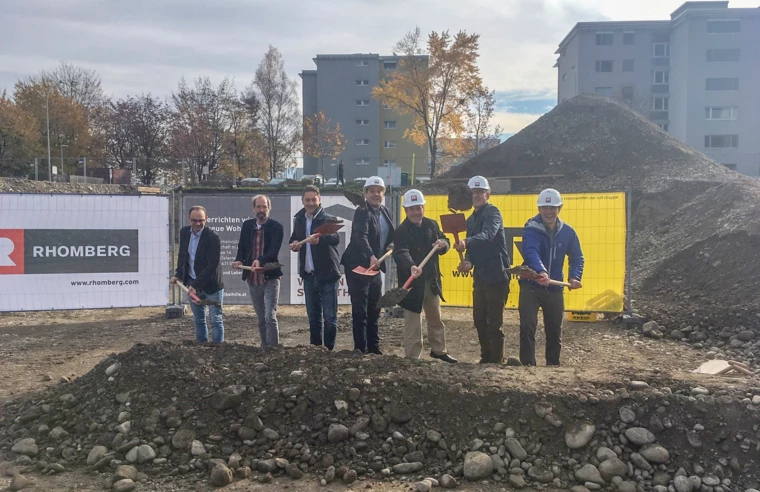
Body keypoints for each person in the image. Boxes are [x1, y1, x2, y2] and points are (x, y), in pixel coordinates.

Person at [519, 188, 584, 366]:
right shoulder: (531, 228)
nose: (549, 212)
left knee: (555, 329)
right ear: (539, 209)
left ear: (560, 208)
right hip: (530, 285)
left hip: (555, 288)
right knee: (527, 326)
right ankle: (527, 366)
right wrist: (541, 272)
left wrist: (574, 277)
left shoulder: (568, 232)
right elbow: (531, 251)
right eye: (545, 208)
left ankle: (553, 366)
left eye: (553, 207)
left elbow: (577, 257)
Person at [393, 189, 457, 363]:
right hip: (412, 283)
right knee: (413, 321)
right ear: (406, 210)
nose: (415, 212)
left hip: (431, 280)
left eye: (418, 208)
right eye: (411, 209)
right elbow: (400, 252)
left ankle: (439, 350)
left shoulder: (431, 225)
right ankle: (412, 355)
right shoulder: (401, 231)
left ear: (423, 208)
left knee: (435, 317)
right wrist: (411, 265)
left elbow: (445, 240)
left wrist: (444, 243)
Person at [454, 176, 511, 364]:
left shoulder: (493, 212)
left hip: (497, 274)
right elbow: (472, 250)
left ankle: (496, 361)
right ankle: (486, 357)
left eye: (479, 192)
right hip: (480, 276)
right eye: (473, 192)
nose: (476, 195)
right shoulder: (470, 220)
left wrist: (466, 242)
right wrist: (468, 261)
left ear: (488, 194)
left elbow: (488, 235)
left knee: (494, 323)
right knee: (479, 320)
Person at [341, 176, 394, 354]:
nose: (375, 194)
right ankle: (360, 348)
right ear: (366, 193)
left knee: (374, 308)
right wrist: (371, 255)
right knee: (360, 309)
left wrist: (391, 244)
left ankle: (374, 348)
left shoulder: (385, 211)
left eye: (379, 191)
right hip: (358, 266)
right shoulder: (362, 211)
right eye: (371, 191)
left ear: (383, 193)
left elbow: (387, 236)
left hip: (375, 267)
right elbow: (360, 236)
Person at [289, 185, 341, 350]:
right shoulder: (299, 219)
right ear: (302, 201)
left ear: (319, 200)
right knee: (313, 317)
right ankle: (316, 349)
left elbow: (336, 238)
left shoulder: (328, 218)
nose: (310, 203)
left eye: (313, 199)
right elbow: (294, 238)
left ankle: (329, 350)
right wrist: (294, 244)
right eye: (307, 200)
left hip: (328, 275)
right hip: (309, 275)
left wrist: (321, 240)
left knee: (329, 317)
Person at [232, 195, 284, 347]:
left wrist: (260, 260)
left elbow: (273, 251)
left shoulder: (276, 227)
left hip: (270, 278)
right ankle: (264, 346)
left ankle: (273, 349)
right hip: (253, 279)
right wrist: (239, 260)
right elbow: (242, 247)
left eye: (265, 207)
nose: (262, 210)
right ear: (254, 209)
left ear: (269, 208)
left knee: (270, 316)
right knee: (261, 317)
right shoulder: (247, 226)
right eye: (259, 207)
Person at [171, 206, 224, 343]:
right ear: (189, 219)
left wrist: (195, 285)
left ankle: (219, 350)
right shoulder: (184, 233)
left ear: (206, 219)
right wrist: (179, 275)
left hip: (212, 286)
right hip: (192, 283)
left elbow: (212, 265)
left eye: (201, 220)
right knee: (199, 319)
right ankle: (202, 348)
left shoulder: (213, 237)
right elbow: (183, 257)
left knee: (216, 319)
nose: (197, 224)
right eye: (194, 220)